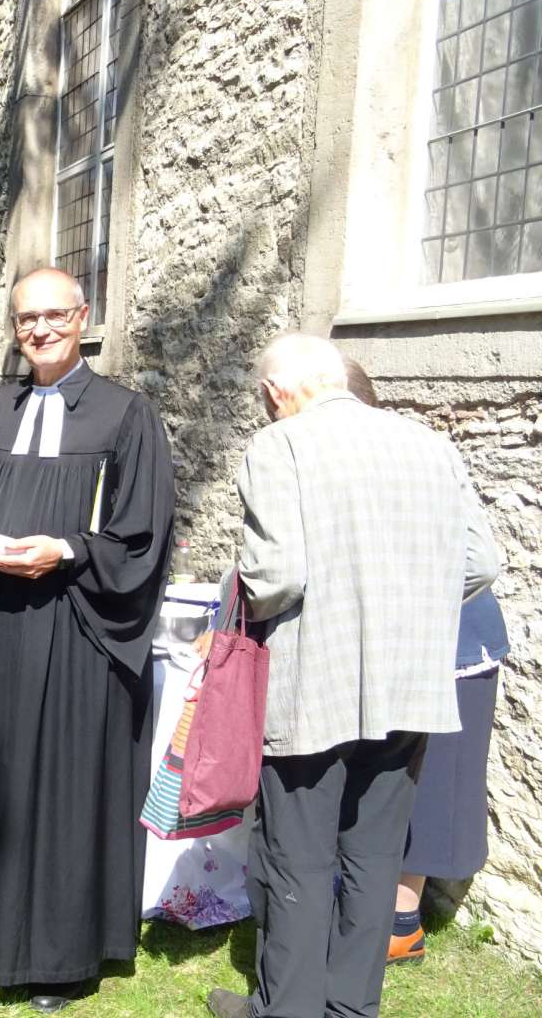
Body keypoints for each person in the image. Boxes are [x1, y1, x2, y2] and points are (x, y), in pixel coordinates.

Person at [205, 334, 499, 1018]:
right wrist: (411, 604)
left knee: (296, 857)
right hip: (411, 688)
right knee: (374, 855)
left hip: (315, 683)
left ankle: (290, 1010)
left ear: (278, 393)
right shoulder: (430, 444)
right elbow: (481, 564)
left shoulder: (281, 446)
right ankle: (349, 1008)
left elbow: (277, 578)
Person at [0, 267, 175, 1013]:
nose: (38, 329)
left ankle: (60, 958)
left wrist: (67, 550)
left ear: (83, 318)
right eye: (25, 318)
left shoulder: (126, 416)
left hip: (76, 626)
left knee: (64, 785)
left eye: (53, 316)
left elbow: (143, 535)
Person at [340, 360, 511, 968]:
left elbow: (480, 560)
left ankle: (401, 921)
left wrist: (411, 606)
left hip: (453, 643)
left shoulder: (414, 455)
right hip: (402, 640)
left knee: (430, 781)